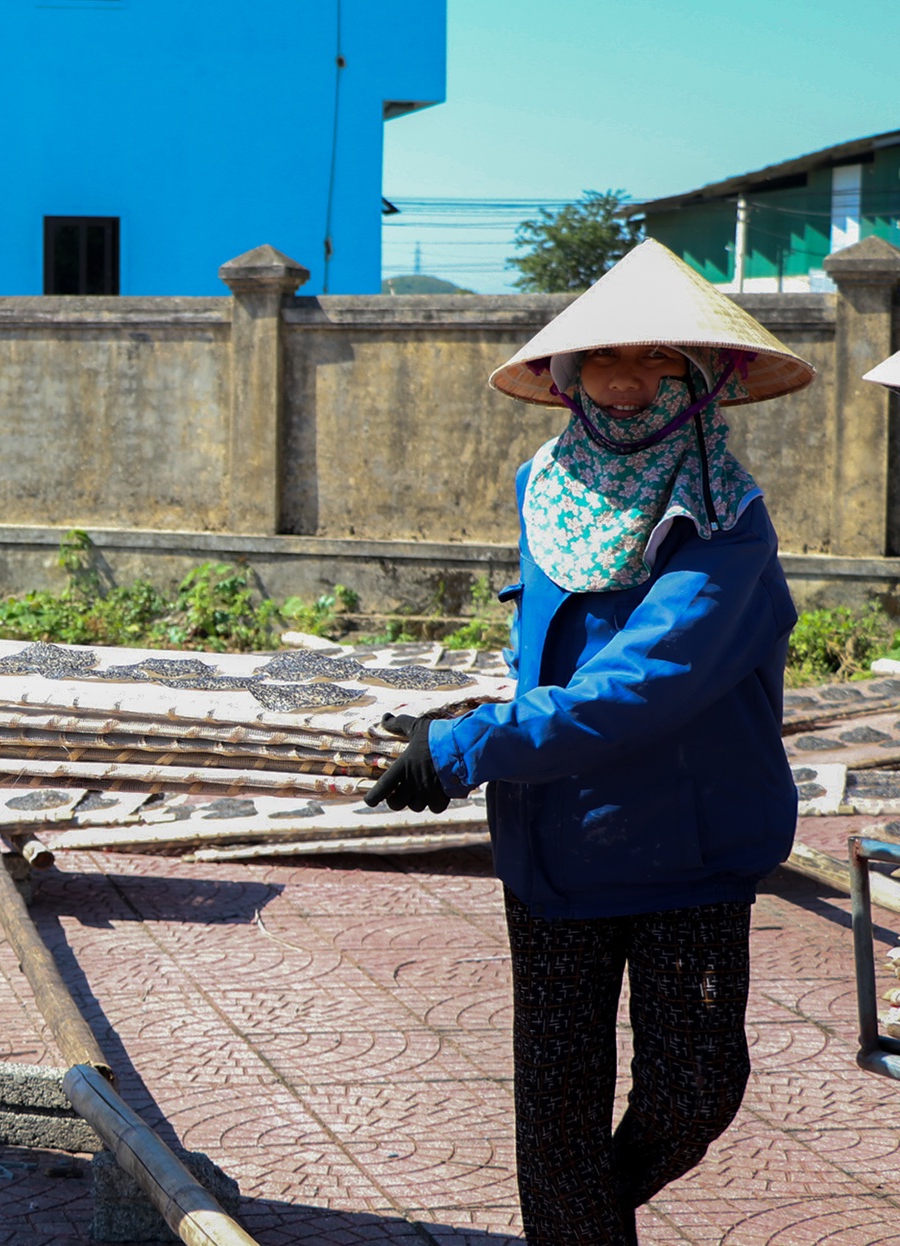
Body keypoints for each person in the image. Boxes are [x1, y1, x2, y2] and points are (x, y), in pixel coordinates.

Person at [366, 239, 814, 1244]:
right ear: (566, 376)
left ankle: (576, 1220)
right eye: (604, 360)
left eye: (658, 361)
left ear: (702, 379)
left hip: (692, 858)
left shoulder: (729, 524)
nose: (626, 383)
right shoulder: (543, 493)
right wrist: (466, 722)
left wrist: (469, 744)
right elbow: (554, 665)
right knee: (558, 1112)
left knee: (695, 1090)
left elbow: (644, 680)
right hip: (555, 846)